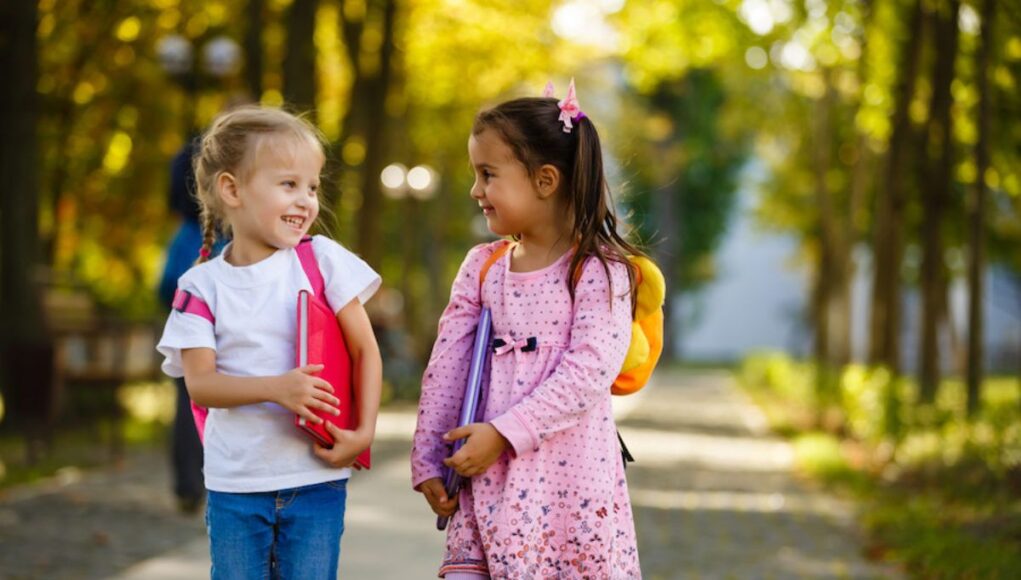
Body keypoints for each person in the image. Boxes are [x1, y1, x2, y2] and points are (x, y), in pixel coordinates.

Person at [411, 80, 643, 578]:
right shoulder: (482, 266)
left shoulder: (598, 270)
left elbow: (589, 372)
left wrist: (504, 432)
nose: (476, 190)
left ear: (545, 180)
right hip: (487, 480)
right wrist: (430, 457)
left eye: (488, 174)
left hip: (569, 486)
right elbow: (447, 363)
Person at [156, 106, 383, 578]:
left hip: (316, 480)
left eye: (313, 187)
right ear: (232, 190)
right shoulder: (201, 287)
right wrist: (278, 388)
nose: (306, 200)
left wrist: (362, 432)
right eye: (288, 184)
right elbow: (201, 386)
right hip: (236, 485)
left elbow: (366, 350)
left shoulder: (322, 261)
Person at [158, 134, 209, 514]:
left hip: (185, 325)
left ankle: (188, 484)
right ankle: (198, 480)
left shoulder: (185, 238)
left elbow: (165, 288)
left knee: (188, 398)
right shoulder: (230, 240)